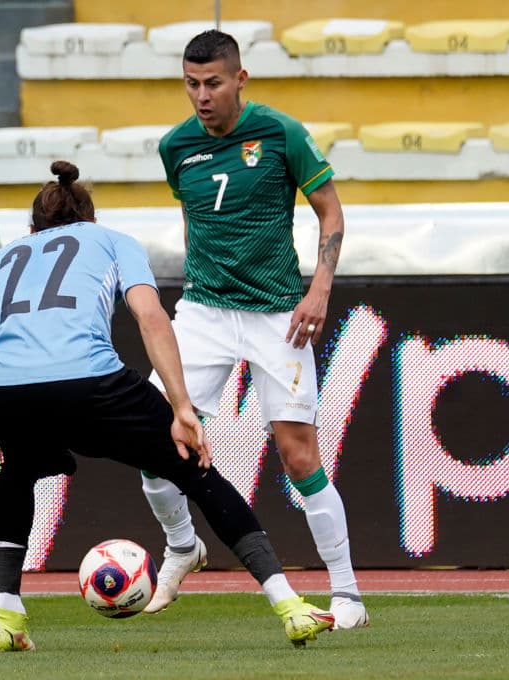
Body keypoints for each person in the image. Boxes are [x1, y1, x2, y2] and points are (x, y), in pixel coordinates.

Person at [0, 161, 336, 652]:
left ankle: (4, 616)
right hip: (90, 382)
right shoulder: (111, 240)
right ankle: (288, 605)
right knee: (196, 471)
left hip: (7, 392)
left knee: (18, 471)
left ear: (31, 230)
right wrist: (181, 407)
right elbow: (150, 317)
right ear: (88, 219)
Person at [139, 30, 369, 630]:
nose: (201, 96)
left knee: (298, 458)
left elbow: (331, 211)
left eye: (213, 82)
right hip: (205, 314)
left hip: (276, 315)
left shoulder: (281, 133)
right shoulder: (175, 147)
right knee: (154, 441)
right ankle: (183, 546)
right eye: (191, 84)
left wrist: (318, 288)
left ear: (240, 79)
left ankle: (347, 594)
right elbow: (195, 221)